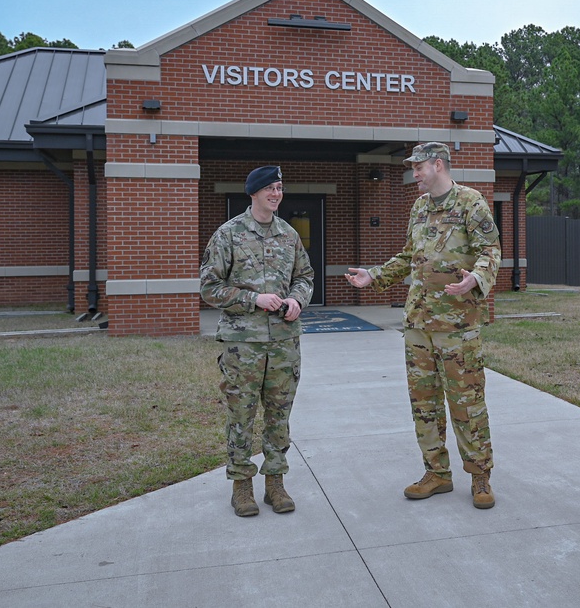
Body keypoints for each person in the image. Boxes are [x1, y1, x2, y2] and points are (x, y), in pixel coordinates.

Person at [345, 142, 501, 509]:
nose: (413, 174)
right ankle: (436, 473)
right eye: (411, 168)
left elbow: (491, 250)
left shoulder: (470, 202)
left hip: (457, 323)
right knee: (424, 402)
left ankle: (480, 476)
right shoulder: (418, 207)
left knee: (467, 402)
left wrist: (475, 280)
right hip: (418, 322)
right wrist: (375, 276)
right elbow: (408, 257)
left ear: (437, 164)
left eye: (418, 167)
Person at [200, 165, 314, 517]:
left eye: (279, 187)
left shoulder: (289, 235)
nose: (276, 194)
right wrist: (253, 299)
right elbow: (209, 287)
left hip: (283, 342)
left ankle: (276, 485)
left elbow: (305, 276)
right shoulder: (229, 234)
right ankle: (241, 487)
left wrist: (297, 300)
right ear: (254, 193)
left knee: (279, 416)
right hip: (243, 344)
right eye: (269, 188)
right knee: (242, 416)